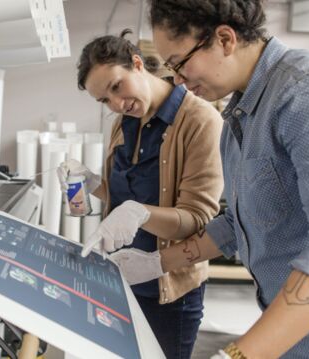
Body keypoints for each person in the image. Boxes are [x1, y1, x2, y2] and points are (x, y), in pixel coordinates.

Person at [108, 1, 309, 358]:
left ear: (224, 39)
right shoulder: (242, 116)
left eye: (180, 62)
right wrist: (158, 263)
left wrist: (238, 355)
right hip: (302, 338)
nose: (178, 79)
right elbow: (240, 224)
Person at [58, 29, 224, 358]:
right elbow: (123, 197)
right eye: (104, 100)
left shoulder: (200, 120)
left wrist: (141, 213)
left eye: (117, 86)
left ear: (137, 64)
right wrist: (92, 182)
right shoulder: (123, 121)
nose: (117, 103)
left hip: (168, 290)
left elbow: (196, 219)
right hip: (119, 277)